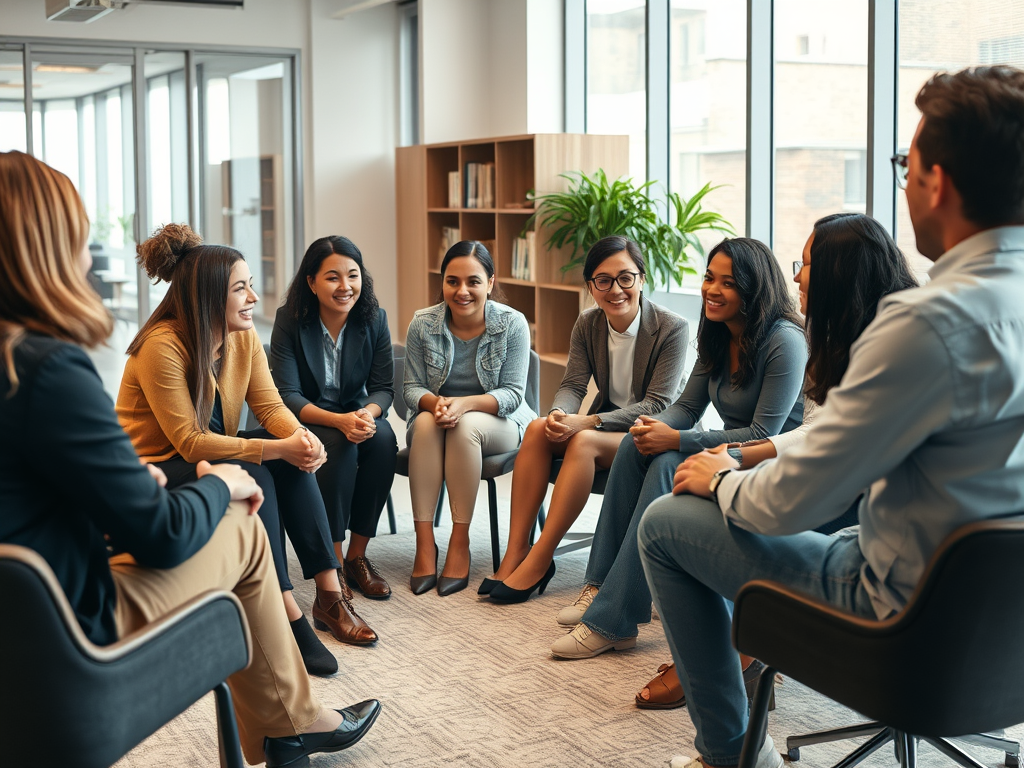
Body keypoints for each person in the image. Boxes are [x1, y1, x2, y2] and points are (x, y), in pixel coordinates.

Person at [639, 65, 1024, 768]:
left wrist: (721, 478)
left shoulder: (929, 324)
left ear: (936, 181)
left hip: (899, 613)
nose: (904, 181)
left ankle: (725, 756)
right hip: (1007, 629)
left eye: (906, 165)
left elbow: (787, 505)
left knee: (665, 522)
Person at [0, 150, 379, 768]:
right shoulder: (51, 368)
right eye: (79, 238)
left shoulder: (240, 340)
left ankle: (321, 612)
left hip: (26, 613)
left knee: (271, 468)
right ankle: (294, 712)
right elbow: (161, 531)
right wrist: (215, 487)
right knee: (242, 519)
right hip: (66, 631)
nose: (87, 256)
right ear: (46, 249)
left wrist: (294, 441)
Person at [634, 212, 918, 710]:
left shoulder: (862, 352)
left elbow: (812, 461)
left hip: (874, 543)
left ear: (837, 277)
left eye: (805, 264)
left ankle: (731, 659)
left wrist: (728, 473)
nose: (796, 277)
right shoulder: (865, 338)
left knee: (676, 519)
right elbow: (820, 434)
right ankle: (721, 645)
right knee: (682, 481)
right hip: (935, 557)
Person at [116, 223, 376, 679]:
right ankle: (287, 614)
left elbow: (271, 405)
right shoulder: (162, 347)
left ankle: (330, 596)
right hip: (153, 470)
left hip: (208, 458)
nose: (254, 296)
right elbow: (189, 443)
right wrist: (277, 448)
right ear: (209, 295)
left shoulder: (241, 336)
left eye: (251, 284)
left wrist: (301, 439)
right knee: (259, 469)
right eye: (241, 287)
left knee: (288, 462)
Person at [547, 237, 805, 650]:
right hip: (726, 451)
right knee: (636, 445)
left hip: (767, 458)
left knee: (668, 462)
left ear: (754, 288)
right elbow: (685, 406)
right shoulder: (718, 333)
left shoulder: (785, 341)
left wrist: (677, 439)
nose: (711, 290)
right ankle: (599, 587)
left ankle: (614, 621)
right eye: (708, 278)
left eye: (728, 282)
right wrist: (652, 427)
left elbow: (763, 434)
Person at [484, 235, 689, 603]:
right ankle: (516, 551)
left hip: (654, 434)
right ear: (591, 286)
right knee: (536, 428)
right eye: (603, 280)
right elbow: (573, 384)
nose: (616, 290)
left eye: (625, 278)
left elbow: (658, 404)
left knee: (582, 440)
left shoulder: (672, 328)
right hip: (607, 428)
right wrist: (560, 413)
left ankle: (540, 558)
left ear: (642, 279)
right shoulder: (588, 323)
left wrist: (587, 423)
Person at [404, 240, 536, 596]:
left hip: (500, 421)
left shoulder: (512, 324)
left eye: (473, 282)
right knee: (429, 423)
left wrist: (464, 405)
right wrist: (436, 404)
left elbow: (512, 394)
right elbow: (411, 388)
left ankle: (459, 543)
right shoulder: (422, 324)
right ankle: (425, 543)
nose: (462, 291)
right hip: (440, 415)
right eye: (452, 281)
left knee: (464, 427)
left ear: (490, 283)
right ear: (443, 282)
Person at [272, 235, 398, 600]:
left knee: (384, 439)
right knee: (339, 443)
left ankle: (358, 555)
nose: (345, 287)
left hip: (356, 415)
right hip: (307, 418)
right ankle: (336, 560)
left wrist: (367, 414)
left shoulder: (374, 319)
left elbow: (383, 388)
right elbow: (288, 396)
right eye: (332, 277)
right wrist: (340, 422)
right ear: (311, 282)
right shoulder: (290, 321)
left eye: (353, 275)